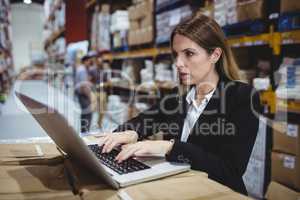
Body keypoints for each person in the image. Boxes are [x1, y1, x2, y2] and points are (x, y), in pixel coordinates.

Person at [97, 13, 261, 195]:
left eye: (189, 54)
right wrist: (132, 132)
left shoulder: (241, 97)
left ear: (215, 55)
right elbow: (147, 119)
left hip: (216, 193)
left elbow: (230, 170)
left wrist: (170, 147)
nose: (178, 63)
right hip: (179, 188)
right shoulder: (179, 95)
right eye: (176, 54)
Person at [75, 53, 94, 133]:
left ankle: (84, 131)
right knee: (87, 113)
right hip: (83, 94)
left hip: (81, 94)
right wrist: (90, 98)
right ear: (85, 61)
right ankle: (85, 132)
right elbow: (84, 86)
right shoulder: (82, 70)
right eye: (89, 61)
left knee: (85, 113)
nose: (90, 63)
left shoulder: (82, 69)